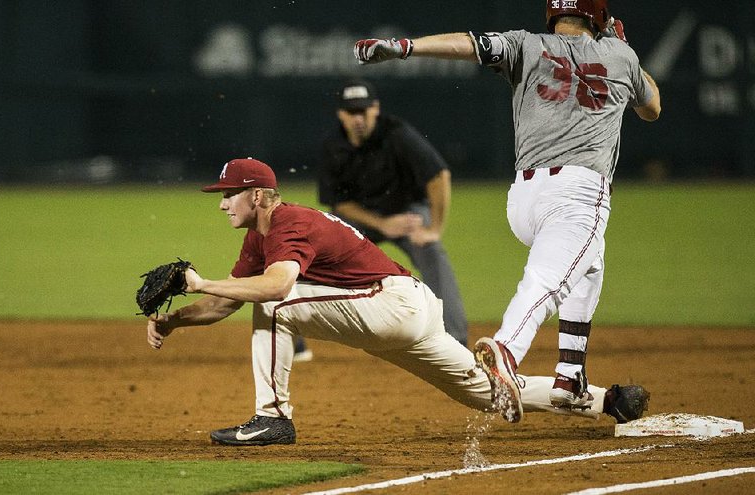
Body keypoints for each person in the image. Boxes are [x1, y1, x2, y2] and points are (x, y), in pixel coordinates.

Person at [145, 157, 650, 445]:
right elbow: (226, 302)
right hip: (401, 311)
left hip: (392, 306)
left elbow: (275, 290)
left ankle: (274, 417)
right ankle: (606, 401)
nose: (221, 202)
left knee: (274, 306)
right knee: (486, 393)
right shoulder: (260, 237)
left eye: (229, 193)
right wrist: (174, 322)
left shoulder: (290, 222)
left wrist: (199, 282)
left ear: (257, 194)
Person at [354, 0, 660, 423]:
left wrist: (406, 47)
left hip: (523, 200)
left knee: (589, 263)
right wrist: (624, 48)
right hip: (578, 195)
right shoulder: (621, 56)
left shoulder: (526, 44)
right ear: (600, 17)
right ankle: (506, 350)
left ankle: (569, 380)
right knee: (547, 281)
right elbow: (652, 107)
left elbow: (468, 45)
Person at [316, 78, 469, 347]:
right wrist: (383, 223)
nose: (358, 118)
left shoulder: (397, 133)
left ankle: (455, 341)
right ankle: (293, 339)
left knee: (431, 252)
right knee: (316, 253)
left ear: (375, 108)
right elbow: (338, 203)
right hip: (363, 218)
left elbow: (439, 175)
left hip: (408, 214)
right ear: (341, 114)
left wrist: (434, 229)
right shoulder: (332, 145)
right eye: (351, 112)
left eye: (363, 110)